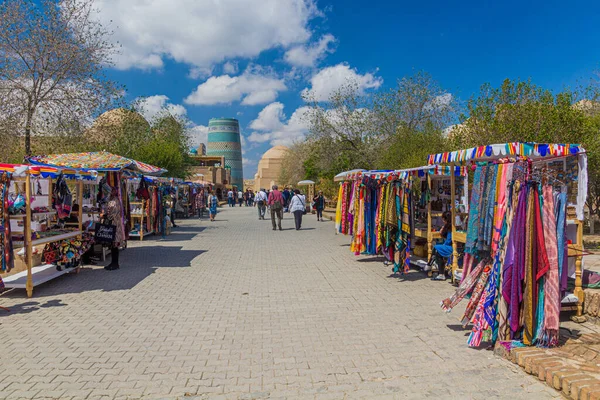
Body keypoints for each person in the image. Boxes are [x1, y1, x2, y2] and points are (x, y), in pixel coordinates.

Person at [430, 211, 453, 281]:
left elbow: (449, 241)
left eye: (443, 219)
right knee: (437, 249)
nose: (442, 221)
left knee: (437, 248)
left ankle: (431, 265)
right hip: (449, 246)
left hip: (451, 247)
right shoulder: (448, 226)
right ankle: (438, 271)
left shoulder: (450, 227)